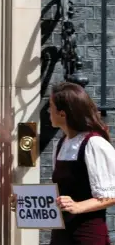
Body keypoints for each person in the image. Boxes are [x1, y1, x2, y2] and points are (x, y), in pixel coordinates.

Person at [46, 82, 115, 245]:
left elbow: (111, 195)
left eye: (51, 107)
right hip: (61, 235)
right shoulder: (62, 143)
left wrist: (78, 206)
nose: (49, 112)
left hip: (87, 235)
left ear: (62, 114)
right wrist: (25, 203)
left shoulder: (94, 144)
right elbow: (62, 195)